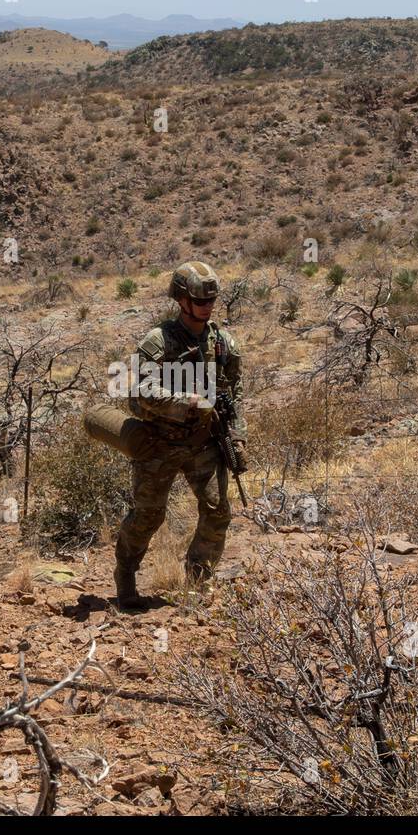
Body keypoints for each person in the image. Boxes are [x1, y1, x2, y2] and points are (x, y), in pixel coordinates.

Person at [113, 261, 247, 611]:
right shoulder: (158, 342)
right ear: (182, 301)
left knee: (218, 512)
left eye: (211, 300)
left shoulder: (223, 344)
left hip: (204, 442)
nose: (208, 306)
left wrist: (237, 434)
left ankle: (196, 582)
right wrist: (185, 403)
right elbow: (138, 392)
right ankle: (126, 573)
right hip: (160, 443)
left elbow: (236, 393)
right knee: (148, 516)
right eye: (200, 300)